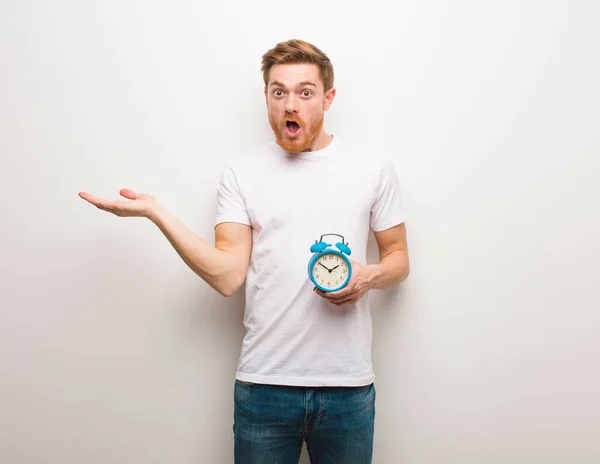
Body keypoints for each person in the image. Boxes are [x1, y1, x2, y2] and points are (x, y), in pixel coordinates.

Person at [79, 39, 410, 464]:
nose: (291, 104)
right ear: (267, 97)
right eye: (279, 91)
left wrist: (370, 276)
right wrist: (156, 213)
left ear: (327, 98)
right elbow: (227, 275)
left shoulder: (371, 168)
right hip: (264, 388)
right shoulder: (242, 174)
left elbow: (398, 256)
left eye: (305, 92)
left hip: (348, 387)